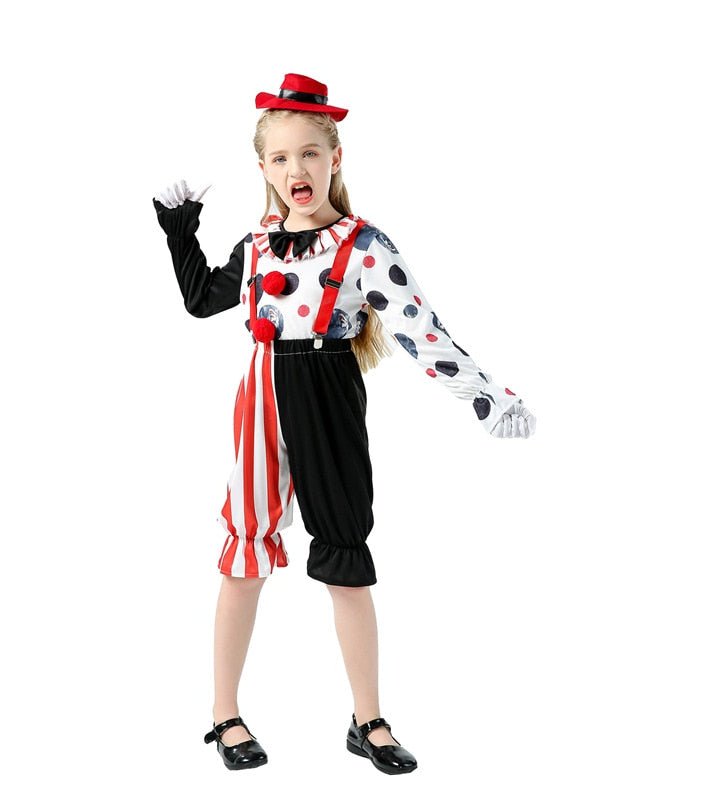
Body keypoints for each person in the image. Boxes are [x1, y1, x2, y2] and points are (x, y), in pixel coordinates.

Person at [153, 73, 536, 775]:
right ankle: (224, 713)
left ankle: (369, 720)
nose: (295, 169)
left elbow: (422, 330)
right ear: (262, 167)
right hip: (262, 395)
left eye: (308, 153)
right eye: (279, 157)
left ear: (335, 157)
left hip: (328, 395)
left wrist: (488, 396)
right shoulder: (259, 243)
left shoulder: (363, 246)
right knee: (245, 551)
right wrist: (180, 229)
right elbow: (203, 299)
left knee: (346, 560)